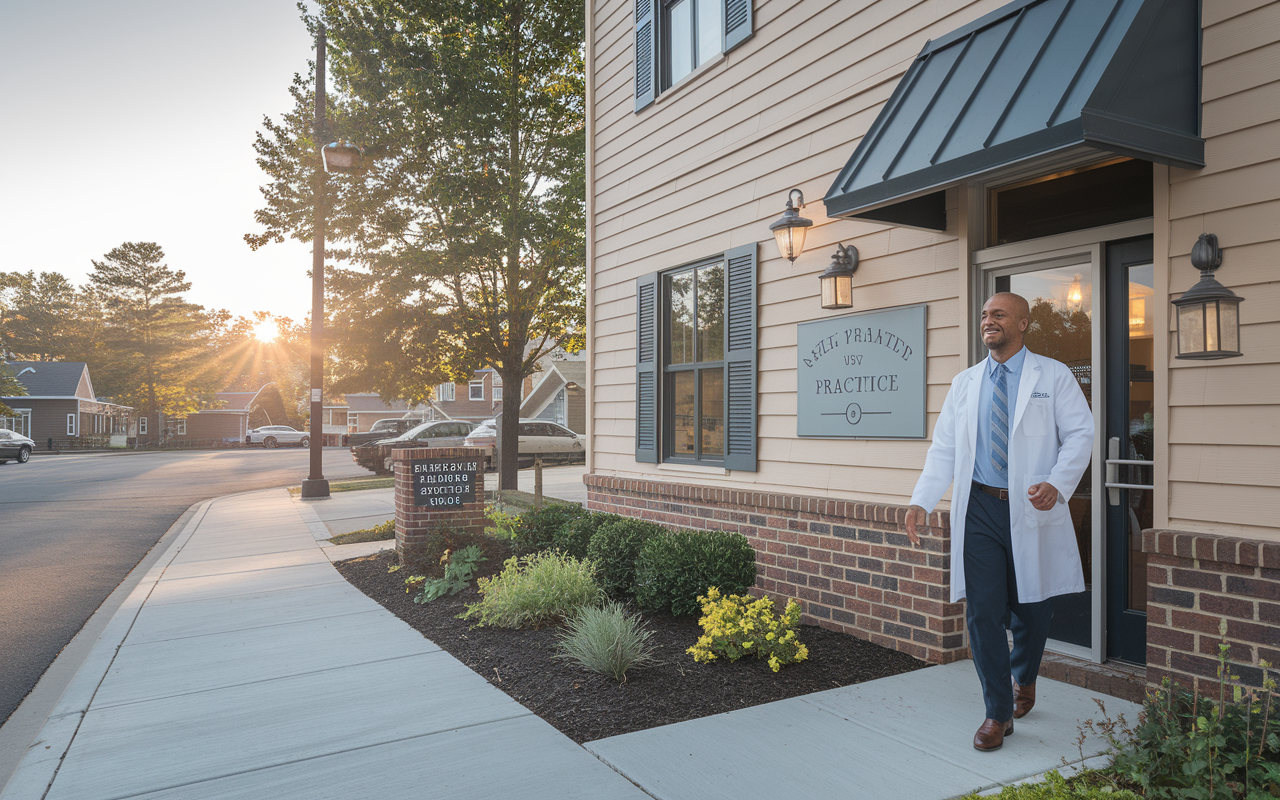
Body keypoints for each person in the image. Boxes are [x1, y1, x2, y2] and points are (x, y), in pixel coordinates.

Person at [903, 292, 1093, 752]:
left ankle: (1023, 677)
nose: (988, 320)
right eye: (985, 314)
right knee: (983, 611)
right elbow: (944, 448)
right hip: (981, 508)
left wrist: (1058, 483)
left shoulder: (1053, 375)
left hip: (1031, 505)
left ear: (1023, 323)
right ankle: (998, 711)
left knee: (1032, 605)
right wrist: (921, 501)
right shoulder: (965, 382)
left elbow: (1081, 433)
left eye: (999, 314)